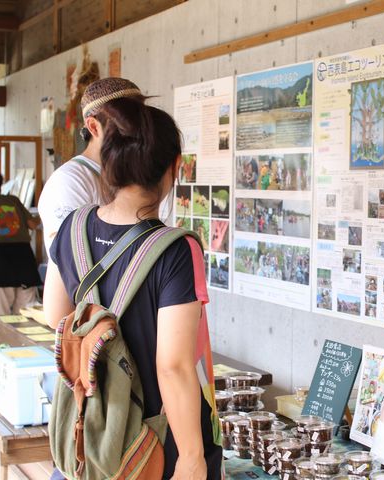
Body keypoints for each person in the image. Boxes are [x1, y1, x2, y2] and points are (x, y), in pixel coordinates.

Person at [43, 101, 222, 479]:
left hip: (92, 434)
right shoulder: (176, 249)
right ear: (174, 167)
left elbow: (55, 318)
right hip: (152, 443)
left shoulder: (70, 229)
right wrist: (191, 458)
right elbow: (172, 366)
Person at [38, 77, 146, 255]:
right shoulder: (68, 182)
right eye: (124, 123)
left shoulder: (135, 172)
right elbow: (70, 262)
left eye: (142, 122)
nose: (138, 131)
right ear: (93, 126)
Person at [0, 169, 42, 316]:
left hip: (1, 260)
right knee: (26, 314)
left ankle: (3, 339)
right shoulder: (13, 201)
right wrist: (42, 214)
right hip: (25, 257)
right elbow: (32, 224)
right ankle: (24, 340)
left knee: (1, 314)